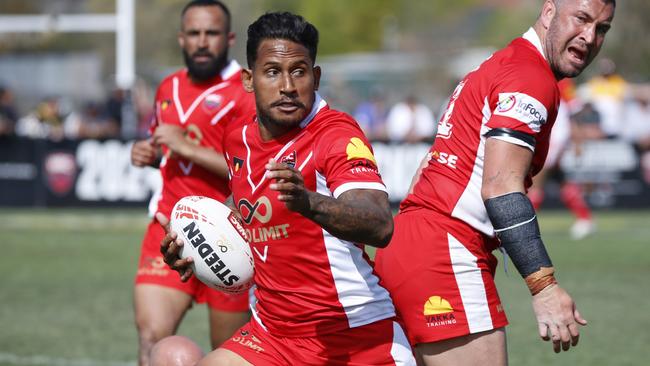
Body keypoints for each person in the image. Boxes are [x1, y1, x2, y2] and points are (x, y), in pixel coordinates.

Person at [158, 11, 416, 366]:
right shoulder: (237, 138)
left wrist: (309, 202)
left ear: (316, 76)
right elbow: (242, 208)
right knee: (168, 355)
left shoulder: (336, 135)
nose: (288, 87)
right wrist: (195, 246)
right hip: (272, 337)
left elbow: (379, 224)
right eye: (272, 72)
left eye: (299, 71)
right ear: (249, 80)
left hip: (355, 338)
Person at [374, 1, 615, 365]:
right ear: (549, 12)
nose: (589, 37)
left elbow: (428, 165)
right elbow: (501, 186)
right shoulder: (529, 78)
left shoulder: (500, 64)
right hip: (444, 254)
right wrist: (544, 287)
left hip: (408, 243)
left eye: (601, 29)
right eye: (581, 19)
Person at [130, 1, 255, 365]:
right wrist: (149, 154)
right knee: (152, 338)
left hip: (228, 236)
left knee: (229, 350)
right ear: (182, 39)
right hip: (168, 226)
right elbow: (164, 149)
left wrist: (186, 146)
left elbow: (249, 172)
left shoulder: (245, 91)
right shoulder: (168, 86)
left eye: (212, 33)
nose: (203, 42)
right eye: (195, 34)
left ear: (228, 38)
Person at [528, 78, 595, 240]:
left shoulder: (561, 80)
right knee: (561, 180)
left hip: (555, 136)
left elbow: (574, 110)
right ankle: (585, 219)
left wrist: (577, 139)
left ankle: (525, 227)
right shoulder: (546, 76)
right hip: (551, 135)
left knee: (536, 181)